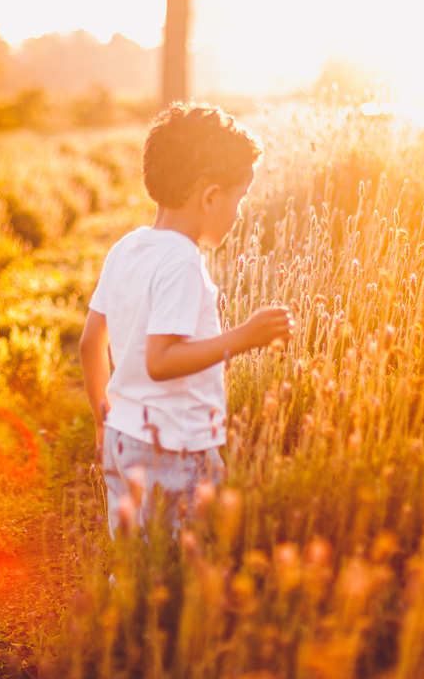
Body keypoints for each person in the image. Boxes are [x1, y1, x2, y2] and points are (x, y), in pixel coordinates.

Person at [79, 103, 293, 538]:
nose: (238, 213)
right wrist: (244, 336)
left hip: (122, 436)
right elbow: (162, 360)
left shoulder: (126, 248)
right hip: (173, 447)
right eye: (238, 200)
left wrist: (104, 419)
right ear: (210, 196)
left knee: (136, 556)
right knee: (184, 559)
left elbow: (89, 345)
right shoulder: (181, 261)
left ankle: (128, 605)